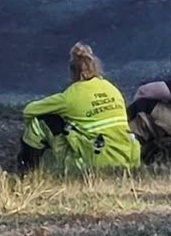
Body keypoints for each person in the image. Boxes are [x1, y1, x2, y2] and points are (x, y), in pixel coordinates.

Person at [18, 40, 142, 174]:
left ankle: (27, 172)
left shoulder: (71, 96)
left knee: (40, 123)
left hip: (93, 163)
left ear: (73, 71)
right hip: (127, 160)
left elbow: (29, 111)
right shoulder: (113, 89)